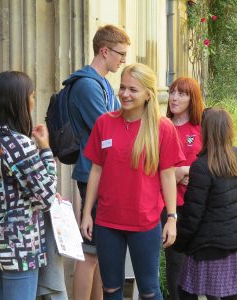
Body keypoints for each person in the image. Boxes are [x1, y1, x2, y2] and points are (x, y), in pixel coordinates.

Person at [80, 63, 185, 300]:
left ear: (148, 94)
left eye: (133, 90)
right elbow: (95, 170)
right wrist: (87, 213)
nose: (125, 94)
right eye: (123, 87)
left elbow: (168, 176)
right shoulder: (104, 123)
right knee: (111, 290)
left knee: (149, 291)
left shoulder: (163, 128)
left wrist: (171, 218)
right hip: (107, 221)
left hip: (145, 223)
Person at [0, 71, 58, 300]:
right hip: (19, 244)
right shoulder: (18, 144)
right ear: (18, 101)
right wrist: (46, 150)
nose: (32, 100)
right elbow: (46, 197)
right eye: (30, 95)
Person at [66, 24, 131, 300]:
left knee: (100, 251)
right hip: (91, 173)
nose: (123, 60)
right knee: (89, 251)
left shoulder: (102, 83)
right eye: (120, 54)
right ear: (104, 51)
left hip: (106, 172)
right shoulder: (86, 86)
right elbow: (109, 130)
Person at [173, 108, 237, 300]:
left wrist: (178, 244)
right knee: (229, 295)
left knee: (186, 291)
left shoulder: (202, 166)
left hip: (211, 246)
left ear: (206, 132)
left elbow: (192, 215)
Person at [163, 77, 203, 300]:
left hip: (196, 204)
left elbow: (211, 164)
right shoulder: (162, 126)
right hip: (170, 206)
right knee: (175, 261)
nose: (174, 98)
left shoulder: (201, 128)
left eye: (182, 93)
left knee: (196, 260)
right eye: (172, 92)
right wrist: (177, 174)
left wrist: (188, 170)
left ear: (193, 98)